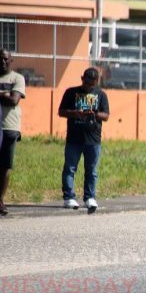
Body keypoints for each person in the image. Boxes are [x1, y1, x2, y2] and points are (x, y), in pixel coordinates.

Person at [58, 67, 109, 213]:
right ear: (82, 78)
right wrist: (75, 113)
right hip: (74, 139)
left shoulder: (101, 95)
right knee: (70, 168)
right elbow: (61, 112)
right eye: (86, 84)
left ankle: (90, 197)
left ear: (96, 81)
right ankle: (69, 197)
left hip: (93, 140)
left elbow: (106, 116)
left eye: (91, 85)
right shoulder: (70, 92)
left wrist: (95, 114)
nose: (88, 87)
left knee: (91, 171)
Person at [0, 48, 26, 216]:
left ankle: (0, 200)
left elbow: (13, 100)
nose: (3, 62)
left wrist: (7, 96)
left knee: (4, 167)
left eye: (5, 59)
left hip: (9, 127)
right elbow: (7, 97)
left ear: (11, 60)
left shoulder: (17, 78)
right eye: (0, 59)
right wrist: (4, 94)